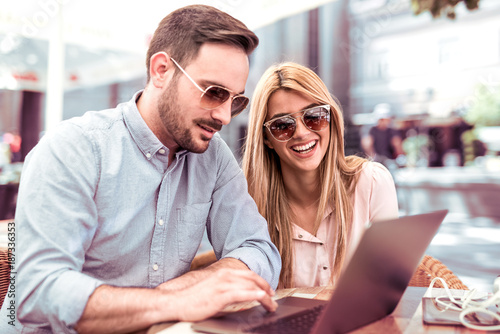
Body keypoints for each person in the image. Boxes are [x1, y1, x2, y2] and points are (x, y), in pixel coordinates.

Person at [0, 5, 281, 334]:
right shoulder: (72, 149)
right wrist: (174, 302)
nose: (224, 116)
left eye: (235, 101)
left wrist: (197, 285)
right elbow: (38, 292)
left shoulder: (212, 156)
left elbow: (259, 249)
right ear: (161, 70)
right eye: (214, 93)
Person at [241, 62, 398, 289]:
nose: (302, 133)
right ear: (266, 138)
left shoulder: (372, 182)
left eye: (314, 116)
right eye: (282, 125)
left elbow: (389, 284)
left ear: (331, 119)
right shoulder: (250, 203)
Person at [361, 103, 405, 168]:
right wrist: (373, 159)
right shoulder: (370, 130)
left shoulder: (391, 130)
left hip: (388, 160)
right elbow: (367, 145)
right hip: (375, 160)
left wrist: (400, 157)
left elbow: (397, 143)